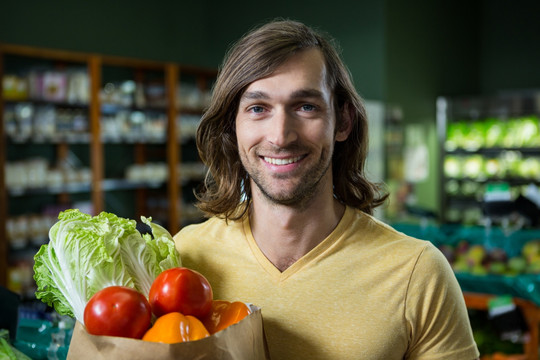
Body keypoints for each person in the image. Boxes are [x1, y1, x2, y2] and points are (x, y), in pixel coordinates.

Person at [174, 19, 480, 360]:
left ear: (343, 121)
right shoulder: (184, 259)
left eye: (306, 107)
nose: (280, 136)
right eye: (258, 109)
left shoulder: (418, 273)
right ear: (233, 126)